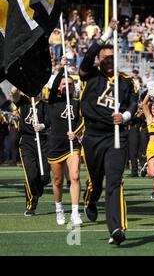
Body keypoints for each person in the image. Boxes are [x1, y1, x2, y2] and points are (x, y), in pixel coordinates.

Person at [79, 19, 138, 245]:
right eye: (105, 58)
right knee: (96, 179)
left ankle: (116, 228)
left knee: (114, 180)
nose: (109, 61)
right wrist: (106, 35)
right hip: (93, 135)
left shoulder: (125, 81)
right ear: (99, 60)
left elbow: (133, 104)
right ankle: (91, 199)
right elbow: (86, 59)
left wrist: (124, 117)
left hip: (115, 135)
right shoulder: (90, 74)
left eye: (112, 58)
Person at [47, 59, 84, 226]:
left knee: (75, 176)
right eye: (64, 84)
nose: (66, 86)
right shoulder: (53, 100)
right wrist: (62, 69)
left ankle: (75, 212)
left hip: (72, 144)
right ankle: (59, 207)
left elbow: (84, 121)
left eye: (69, 84)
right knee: (58, 180)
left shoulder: (77, 103)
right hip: (55, 144)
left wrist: (75, 133)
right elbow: (54, 86)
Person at [11, 87, 51, 217]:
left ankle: (38, 188)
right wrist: (19, 81)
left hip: (43, 141)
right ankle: (31, 205)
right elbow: (14, 93)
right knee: (31, 175)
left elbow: (50, 121)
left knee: (44, 177)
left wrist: (42, 126)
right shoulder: (23, 102)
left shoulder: (45, 105)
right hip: (27, 142)